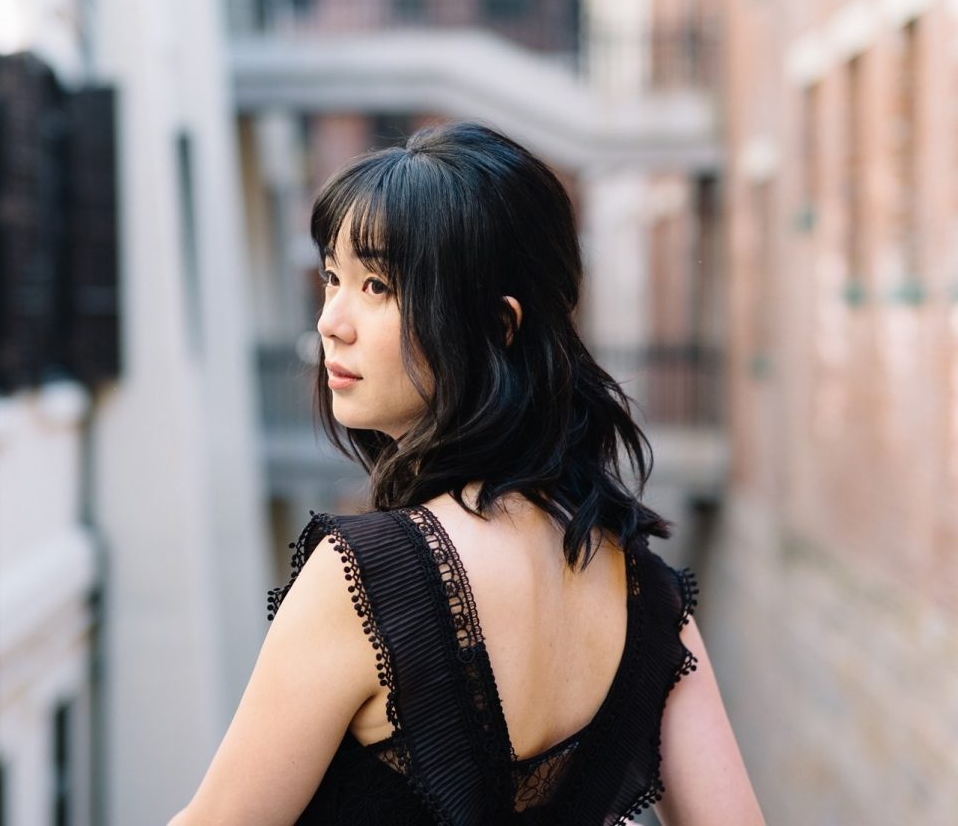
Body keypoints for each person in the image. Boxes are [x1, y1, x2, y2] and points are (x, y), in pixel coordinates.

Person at [168, 121, 765, 825]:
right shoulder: (651, 600)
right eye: (332, 278)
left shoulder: (367, 579)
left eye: (378, 286)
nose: (331, 321)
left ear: (499, 326)